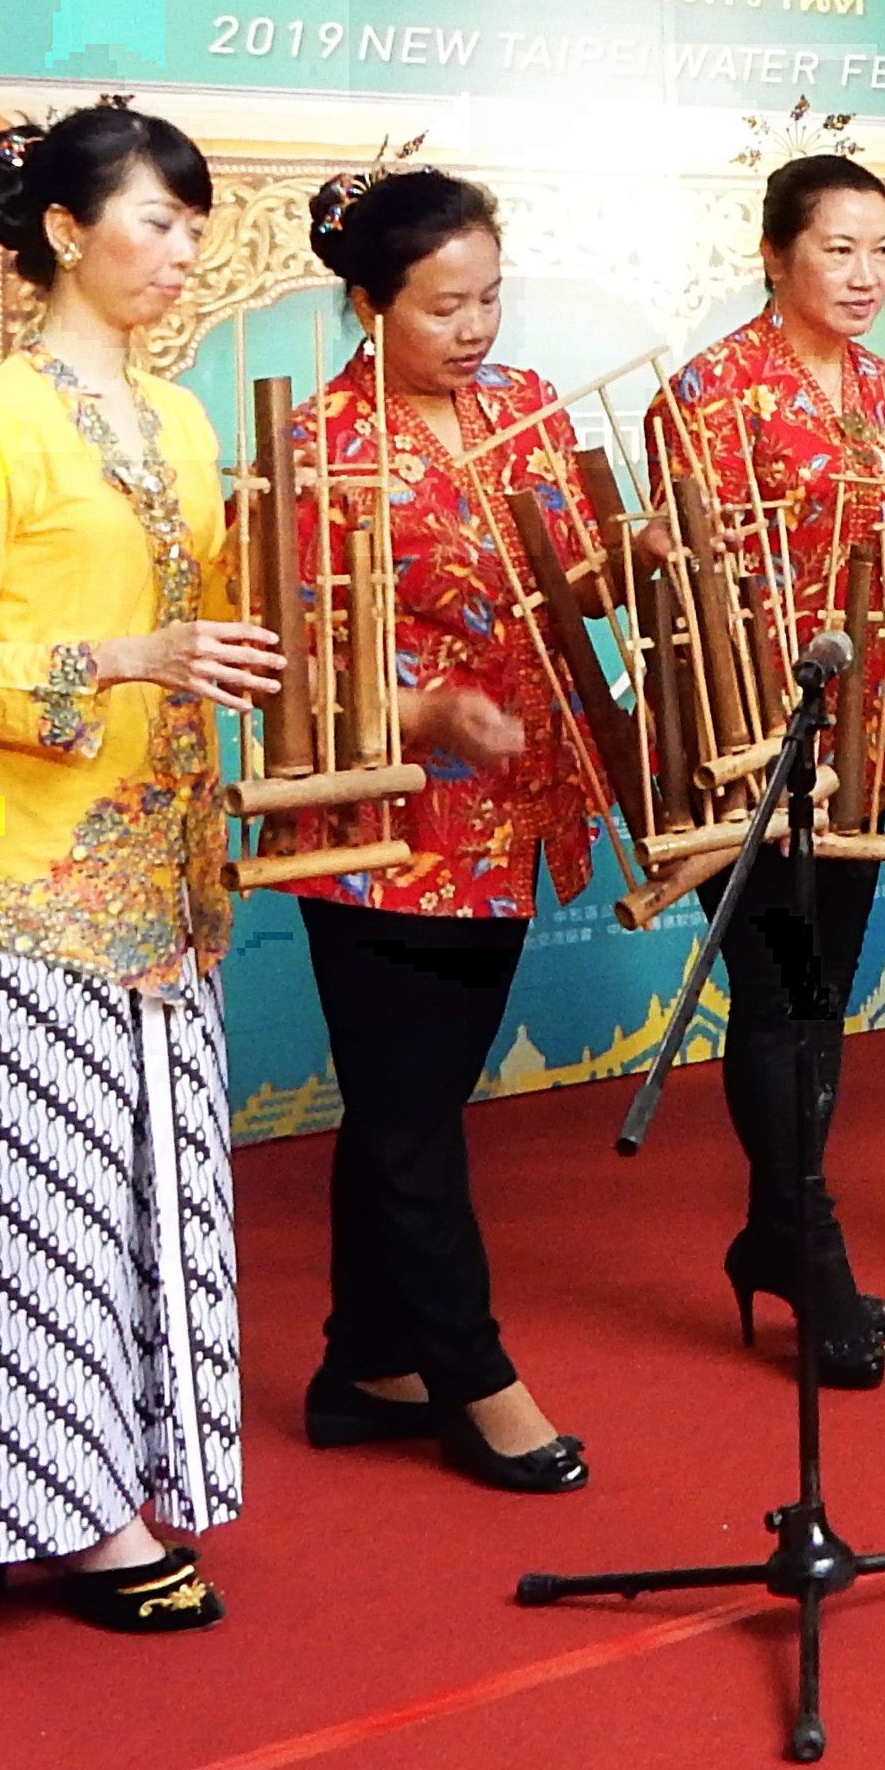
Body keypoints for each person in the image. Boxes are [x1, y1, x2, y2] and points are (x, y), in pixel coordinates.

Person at [0, 102, 279, 1633]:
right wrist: (125, 655)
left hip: (158, 866)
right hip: (18, 874)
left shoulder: (181, 421)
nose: (181, 254)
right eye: (156, 223)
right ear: (67, 230)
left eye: (195, 228)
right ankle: (61, 1519)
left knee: (143, 1199)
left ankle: (79, 1491)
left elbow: (230, 626)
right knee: (24, 1205)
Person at [265, 168, 606, 1494]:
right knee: (412, 1121)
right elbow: (286, 666)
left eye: (490, 298)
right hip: (386, 824)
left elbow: (576, 568)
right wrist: (426, 710)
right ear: (367, 303)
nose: (475, 329)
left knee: (407, 1105)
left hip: (514, 802)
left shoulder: (522, 406)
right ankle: (474, 1377)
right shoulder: (318, 446)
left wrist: (648, 567)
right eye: (444, 306)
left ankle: (364, 1365)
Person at [654, 152, 885, 1386]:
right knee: (771, 993)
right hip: (744, 735)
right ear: (775, 254)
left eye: (880, 249)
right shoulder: (704, 396)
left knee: (821, 996)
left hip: (861, 739)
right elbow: (686, 587)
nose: (865, 275)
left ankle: (776, 1233)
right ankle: (812, 1256)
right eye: (837, 249)